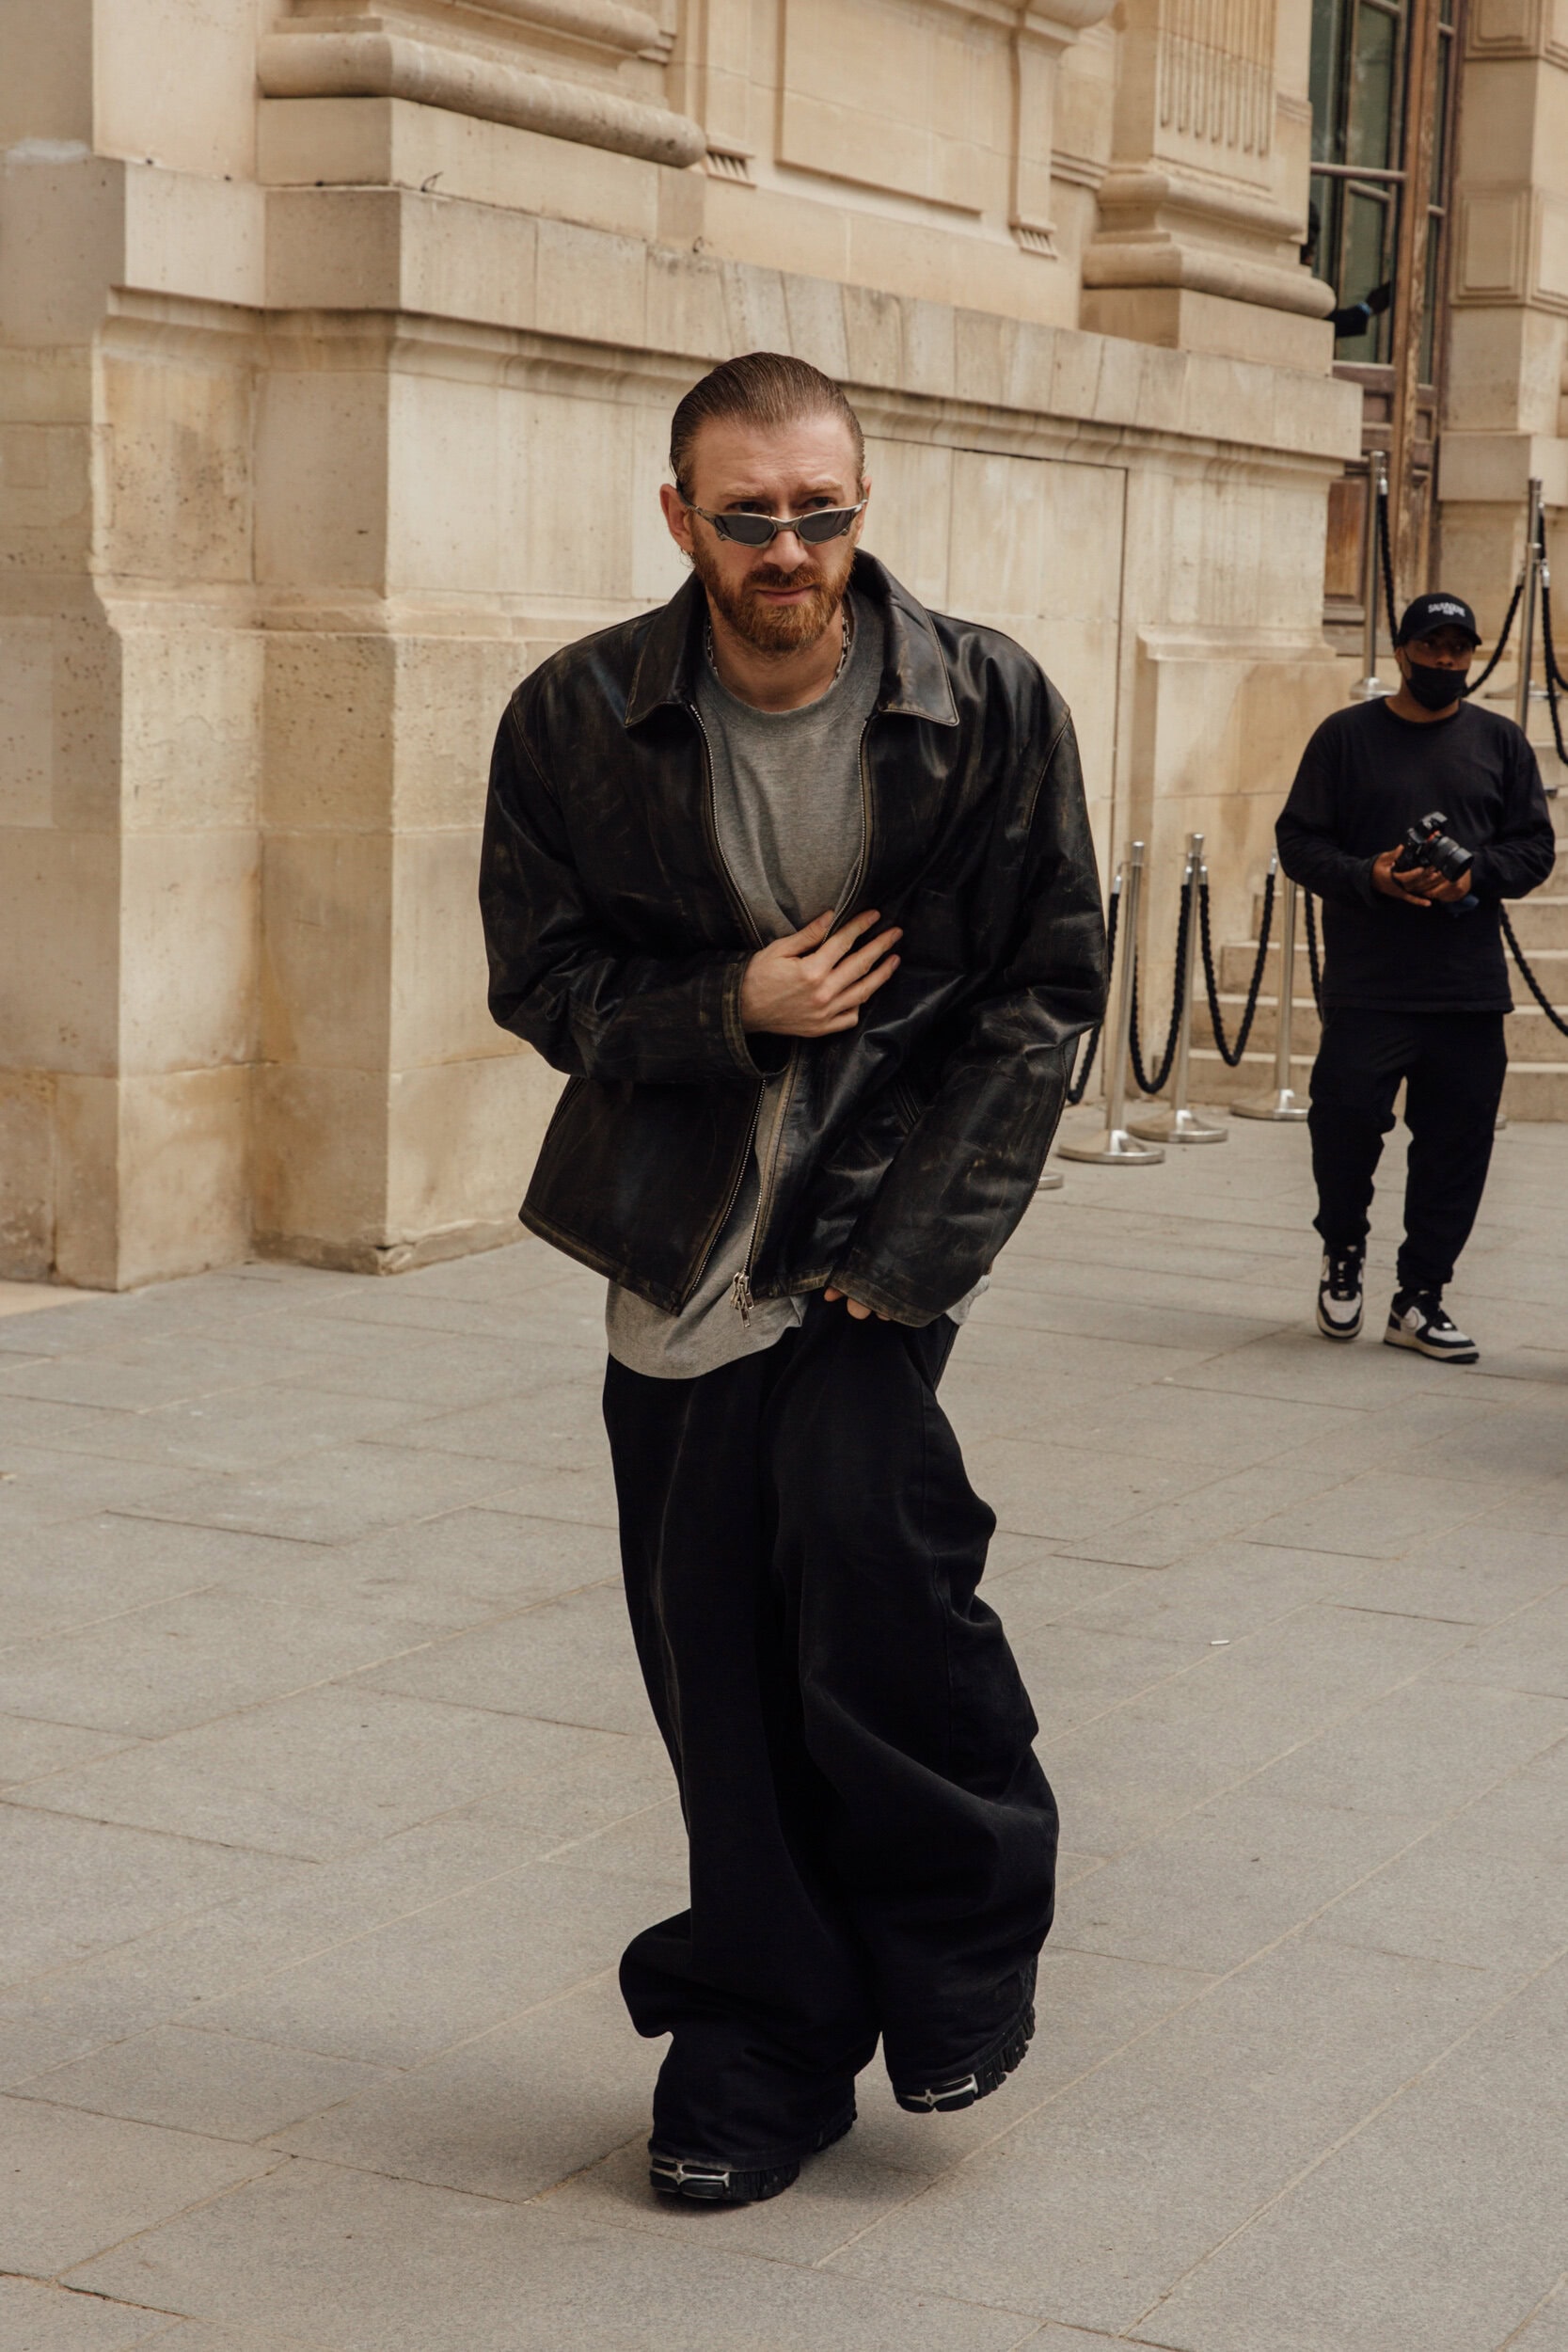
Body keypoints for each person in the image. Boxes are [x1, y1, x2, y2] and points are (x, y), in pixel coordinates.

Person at [479, 351, 1104, 2206]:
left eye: (817, 511)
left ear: (859, 504)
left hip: (874, 1223)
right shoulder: (576, 713)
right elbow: (539, 978)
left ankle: (958, 1936)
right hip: (673, 1228)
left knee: (873, 1557)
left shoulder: (981, 701)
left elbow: (1043, 988)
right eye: (746, 515)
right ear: (679, 514)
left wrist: (909, 1259)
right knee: (714, 1659)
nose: (785, 548)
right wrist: (724, 1005)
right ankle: (761, 2042)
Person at [1276, 589, 1556, 1363]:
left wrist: (1472, 876)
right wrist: (1369, 874)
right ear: (1400, 651)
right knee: (1342, 1126)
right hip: (1367, 983)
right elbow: (1298, 842)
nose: (1445, 659)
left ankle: (1419, 1297)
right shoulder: (1344, 737)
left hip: (1466, 989)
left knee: (1455, 1146)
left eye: (1458, 648)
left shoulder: (1500, 742)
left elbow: (1534, 850)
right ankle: (1341, 1250)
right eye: (1431, 645)